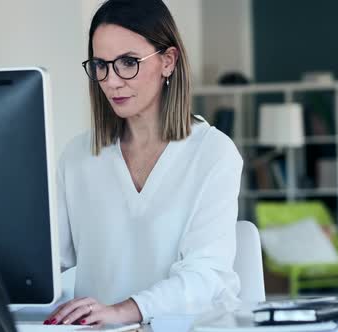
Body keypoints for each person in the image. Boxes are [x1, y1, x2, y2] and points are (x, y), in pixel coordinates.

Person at [45, 0, 243, 326]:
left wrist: (123, 310)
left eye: (128, 62)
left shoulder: (213, 152)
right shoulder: (78, 156)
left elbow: (206, 274)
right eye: (101, 65)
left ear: (168, 61)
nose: (111, 80)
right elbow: (49, 262)